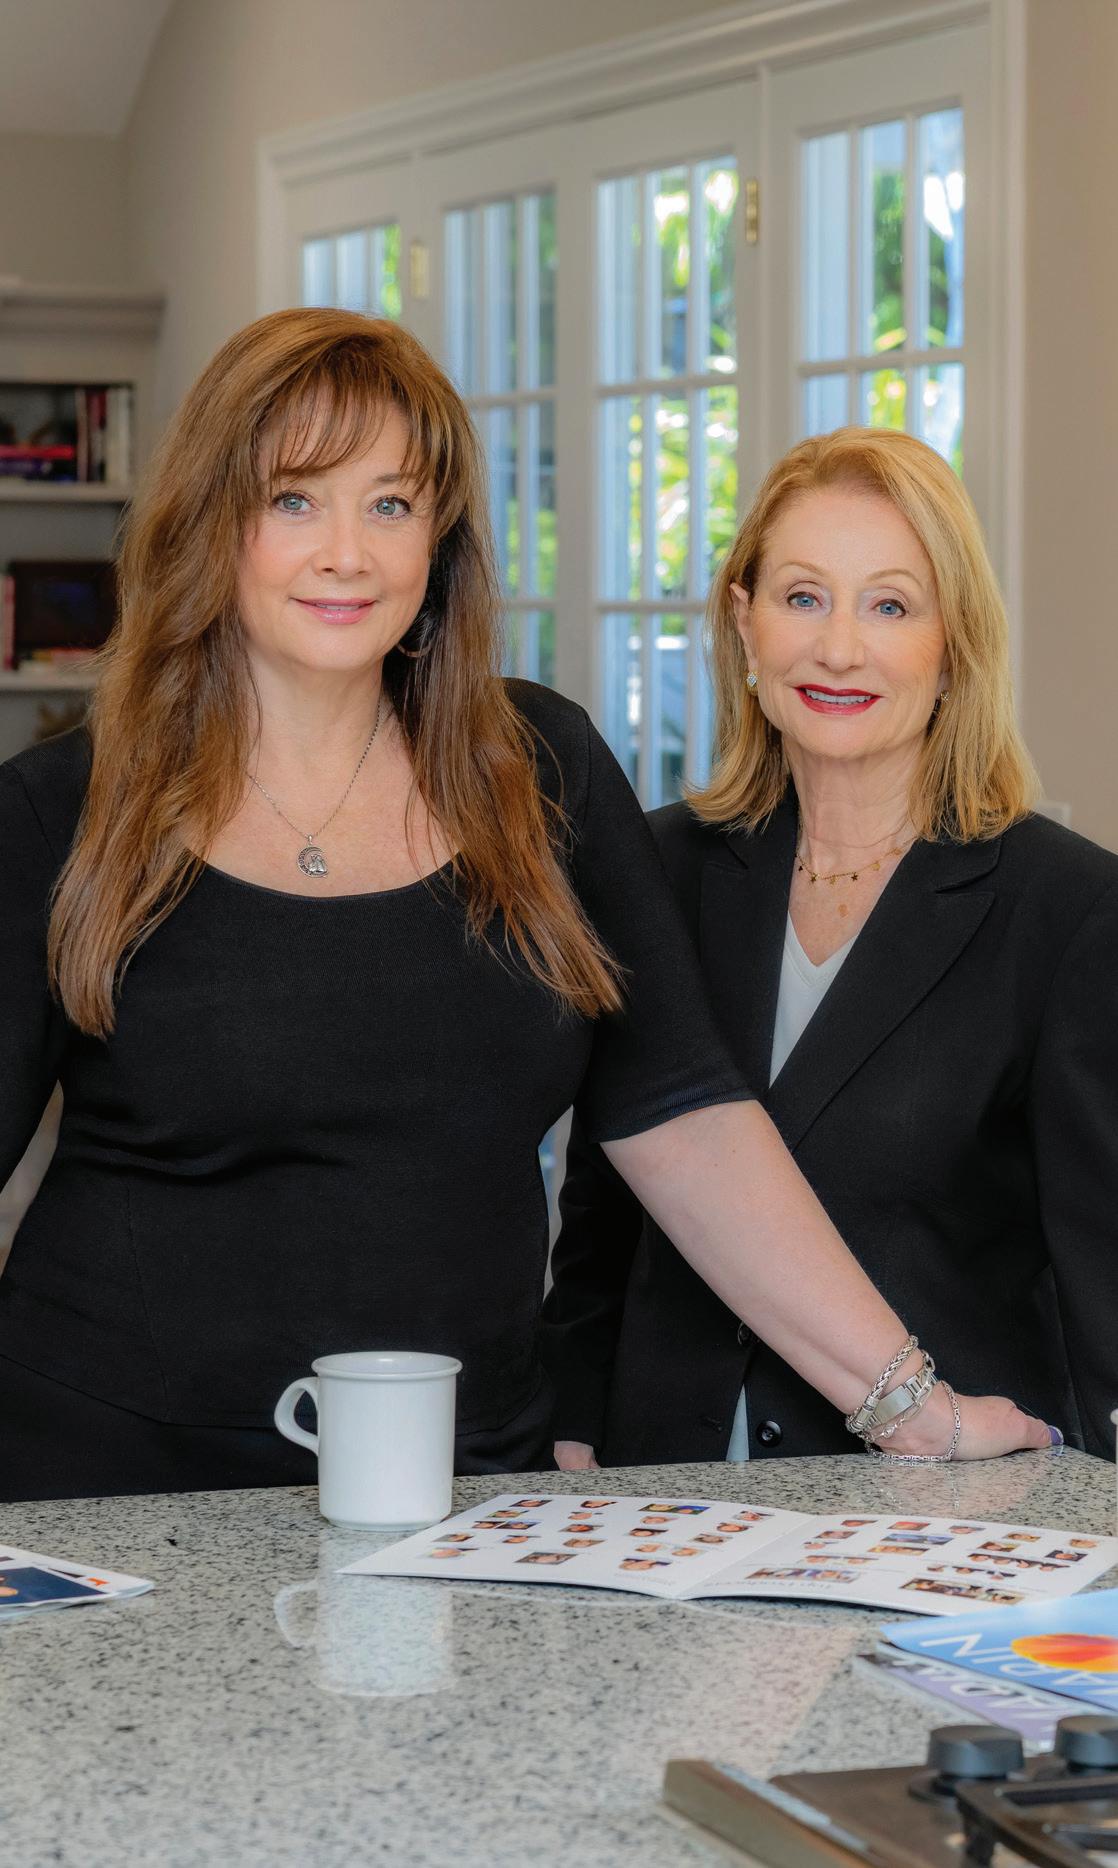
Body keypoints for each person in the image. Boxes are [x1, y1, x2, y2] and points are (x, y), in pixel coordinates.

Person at [0, 317, 1050, 1503]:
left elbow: (685, 1121)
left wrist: (910, 1406)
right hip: (112, 1494)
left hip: (464, 1484)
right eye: (294, 500)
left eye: (390, 504)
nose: (346, 552)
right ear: (211, 521)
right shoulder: (61, 812)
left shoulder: (540, 770)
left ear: (438, 535)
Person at [544, 426, 1117, 1472]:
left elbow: (1102, 1275)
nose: (839, 648)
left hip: (936, 1505)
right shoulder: (651, 872)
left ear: (954, 645)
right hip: (660, 1499)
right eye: (802, 596)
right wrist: (573, 1424)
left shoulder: (1070, 910)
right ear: (744, 623)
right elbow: (602, 1218)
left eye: (889, 605)